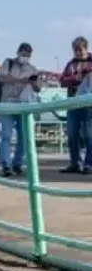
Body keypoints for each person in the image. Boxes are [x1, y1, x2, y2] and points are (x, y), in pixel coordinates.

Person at [0, 43, 41, 177]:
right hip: (8, 103)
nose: (25, 57)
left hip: (23, 104)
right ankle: (6, 164)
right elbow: (3, 77)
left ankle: (17, 163)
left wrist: (33, 83)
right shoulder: (8, 63)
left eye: (28, 55)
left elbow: (38, 88)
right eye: (23, 54)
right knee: (6, 135)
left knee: (23, 136)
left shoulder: (33, 69)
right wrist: (21, 80)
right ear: (18, 52)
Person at [59, 36, 92, 173]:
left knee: (89, 135)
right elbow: (62, 81)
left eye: (80, 50)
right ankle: (75, 162)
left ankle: (89, 164)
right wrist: (76, 78)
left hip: (89, 104)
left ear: (86, 48)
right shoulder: (70, 64)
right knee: (72, 133)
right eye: (75, 50)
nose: (77, 53)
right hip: (73, 103)